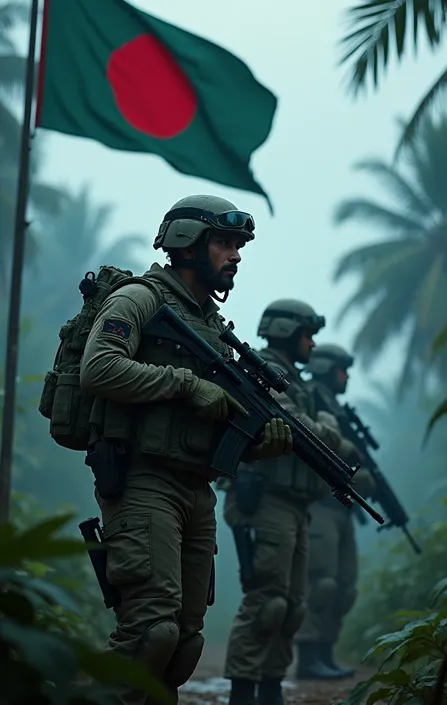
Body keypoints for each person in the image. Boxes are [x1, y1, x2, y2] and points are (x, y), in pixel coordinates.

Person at [79, 195, 293, 705]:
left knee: (183, 644)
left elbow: (214, 427)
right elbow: (98, 367)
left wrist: (259, 446)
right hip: (141, 480)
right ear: (187, 244)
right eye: (224, 243)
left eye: (238, 245)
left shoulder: (213, 328)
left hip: (197, 488)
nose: (235, 255)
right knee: (151, 632)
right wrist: (185, 384)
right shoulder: (140, 299)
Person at [219, 300, 347, 705]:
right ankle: (242, 692)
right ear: (287, 332)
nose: (312, 344)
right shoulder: (262, 371)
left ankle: (271, 689)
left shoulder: (297, 380)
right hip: (264, 499)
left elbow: (324, 437)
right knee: (266, 602)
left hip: (295, 503)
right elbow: (304, 431)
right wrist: (326, 428)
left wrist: (324, 431)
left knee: (292, 606)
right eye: (307, 335)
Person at [294, 344, 375, 681]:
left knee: (344, 586)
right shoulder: (311, 397)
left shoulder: (335, 407)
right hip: (319, 502)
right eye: (343, 370)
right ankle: (309, 656)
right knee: (321, 582)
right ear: (328, 369)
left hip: (341, 506)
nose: (347, 377)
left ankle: (325, 652)